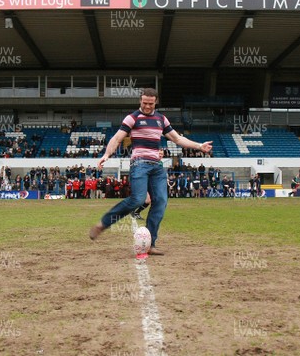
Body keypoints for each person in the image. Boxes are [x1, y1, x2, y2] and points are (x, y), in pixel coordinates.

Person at [89, 88, 212, 255]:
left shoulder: (161, 119)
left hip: (157, 167)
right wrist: (106, 154)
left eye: (150, 103)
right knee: (138, 199)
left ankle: (150, 243)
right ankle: (103, 223)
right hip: (139, 164)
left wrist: (199, 146)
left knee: (160, 201)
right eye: (144, 103)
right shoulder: (132, 118)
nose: (147, 106)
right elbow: (117, 138)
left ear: (156, 102)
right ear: (140, 101)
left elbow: (177, 138)